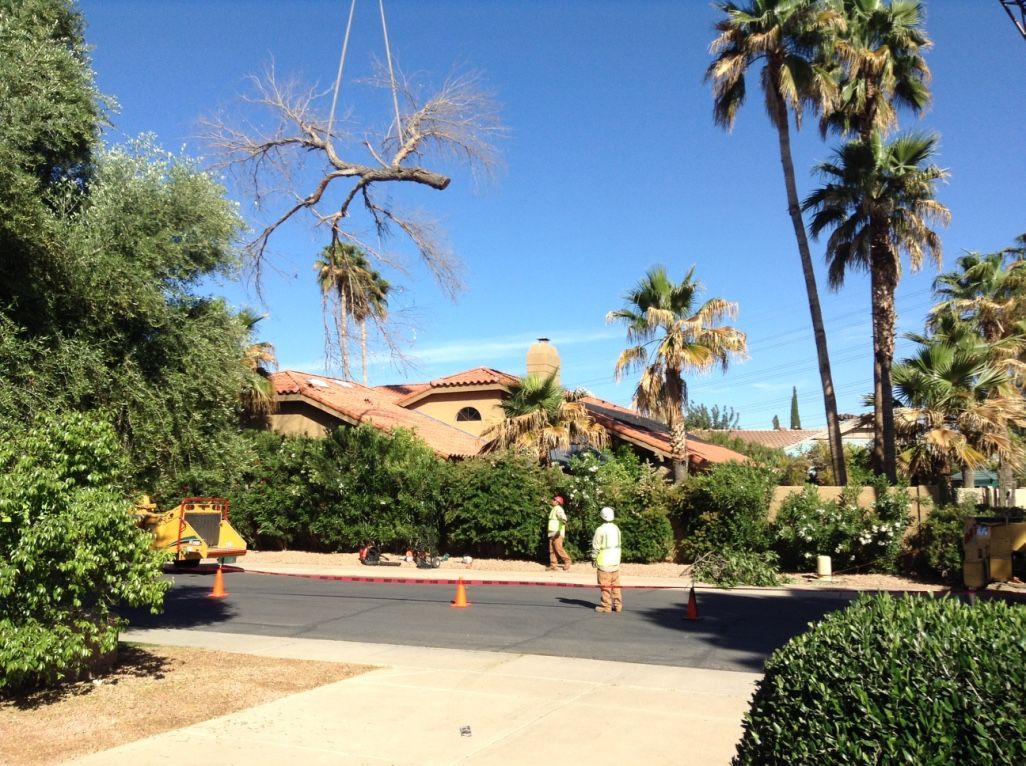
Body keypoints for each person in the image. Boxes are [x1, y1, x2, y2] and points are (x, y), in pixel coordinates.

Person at [591, 506, 622, 613]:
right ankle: (618, 606)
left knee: (605, 586)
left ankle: (606, 606)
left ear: (602, 516)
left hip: (604, 563)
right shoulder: (616, 529)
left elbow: (596, 546)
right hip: (615, 562)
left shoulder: (600, 530)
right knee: (616, 586)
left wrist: (593, 558)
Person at [546, 495, 573, 571]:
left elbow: (563, 517)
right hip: (552, 533)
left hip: (557, 533)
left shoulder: (558, 509)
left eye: (554, 500)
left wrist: (564, 519)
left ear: (557, 502)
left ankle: (567, 561)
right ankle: (553, 565)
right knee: (552, 550)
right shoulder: (554, 509)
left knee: (558, 549)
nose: (552, 501)